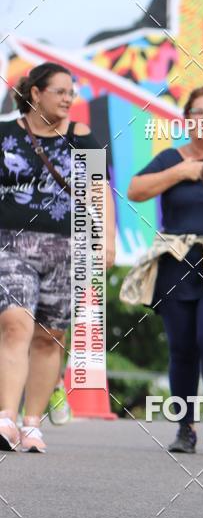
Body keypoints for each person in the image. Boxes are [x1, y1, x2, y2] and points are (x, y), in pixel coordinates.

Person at [0, 62, 115, 453]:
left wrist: (107, 243)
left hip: (68, 248)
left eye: (72, 92)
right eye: (60, 91)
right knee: (16, 323)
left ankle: (32, 424)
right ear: (35, 93)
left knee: (51, 336)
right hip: (10, 245)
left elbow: (100, 191)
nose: (69, 99)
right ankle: (5, 419)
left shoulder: (82, 138)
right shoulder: (4, 135)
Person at [126, 86, 203, 456]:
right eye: (199, 114)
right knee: (182, 348)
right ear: (186, 120)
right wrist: (182, 171)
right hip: (175, 260)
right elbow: (135, 190)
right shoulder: (169, 159)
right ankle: (184, 429)